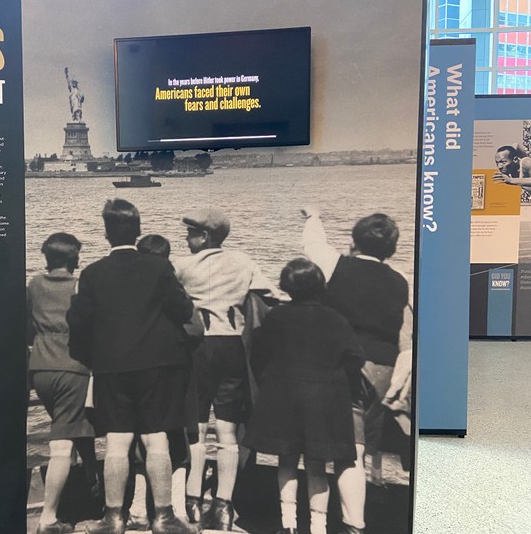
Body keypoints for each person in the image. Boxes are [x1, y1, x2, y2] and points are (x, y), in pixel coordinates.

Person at [67, 200, 198, 534]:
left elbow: (78, 322)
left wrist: (93, 358)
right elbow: (183, 311)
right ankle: (164, 518)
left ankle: (113, 519)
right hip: (159, 365)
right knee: (156, 440)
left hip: (112, 367)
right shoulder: (158, 268)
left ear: (106, 232)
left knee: (117, 442)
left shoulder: (92, 273)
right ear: (137, 231)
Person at [301, 207, 412, 534]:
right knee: (361, 450)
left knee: (345, 452)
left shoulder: (337, 265)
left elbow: (312, 244)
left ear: (354, 240)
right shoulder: (401, 280)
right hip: (385, 371)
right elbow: (404, 332)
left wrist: (315, 216)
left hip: (347, 366)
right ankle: (356, 517)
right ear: (391, 249)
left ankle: (350, 525)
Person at [172, 207, 277, 531]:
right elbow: (270, 296)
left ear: (204, 236)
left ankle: (192, 502)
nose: (187, 238)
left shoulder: (183, 266)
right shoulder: (244, 262)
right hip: (232, 346)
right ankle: (223, 506)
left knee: (197, 428)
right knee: (228, 433)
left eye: (191, 233)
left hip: (199, 349)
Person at [243, 258, 364, 534]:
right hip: (323, 400)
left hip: (283, 395)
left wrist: (269, 381)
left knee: (285, 460)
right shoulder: (337, 319)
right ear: (320, 285)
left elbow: (258, 352)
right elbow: (355, 358)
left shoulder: (276, 316)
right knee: (317, 465)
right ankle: (318, 527)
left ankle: (288, 525)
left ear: (287, 287)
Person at [125, 235, 203, 530]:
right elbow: (196, 330)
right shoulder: (174, 289)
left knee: (138, 442)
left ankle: (137, 510)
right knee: (178, 440)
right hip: (175, 373)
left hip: (134, 374)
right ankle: (178, 510)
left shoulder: (127, 291)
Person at [27, 233, 99, 534]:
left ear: (46, 257)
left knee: (72, 425)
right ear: (75, 259)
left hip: (40, 368)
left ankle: (95, 487)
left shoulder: (33, 285)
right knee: (62, 443)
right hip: (72, 367)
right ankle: (48, 519)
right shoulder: (80, 287)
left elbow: (24, 326)